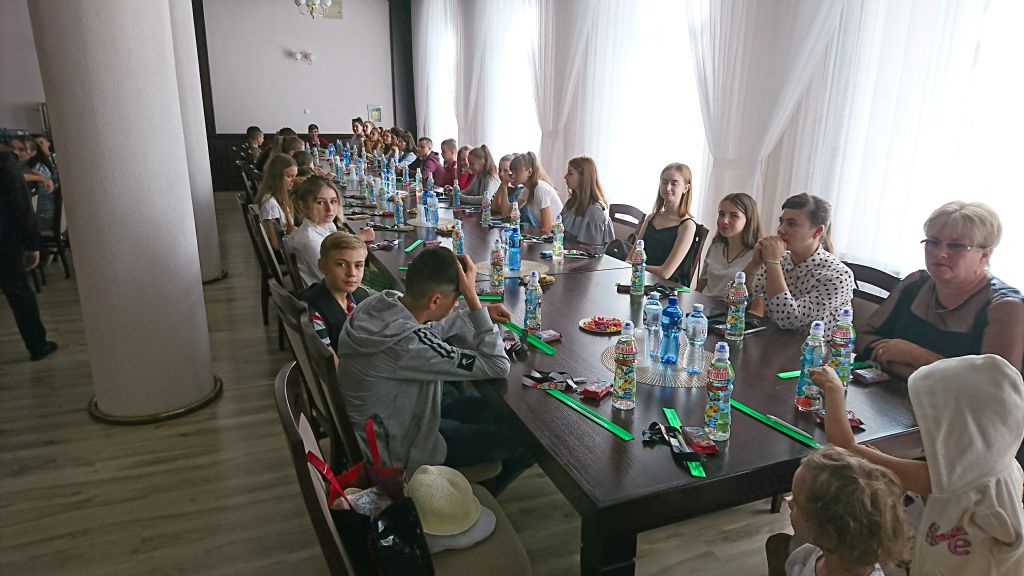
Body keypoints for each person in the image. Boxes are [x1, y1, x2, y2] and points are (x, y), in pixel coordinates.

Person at [336, 248, 532, 494]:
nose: (458, 302)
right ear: (435, 300)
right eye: (457, 297)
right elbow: (497, 365)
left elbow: (421, 333)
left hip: (393, 419)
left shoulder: (379, 302)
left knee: (499, 414)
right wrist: (474, 302)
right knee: (530, 442)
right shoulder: (408, 344)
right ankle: (462, 499)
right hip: (402, 452)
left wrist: (472, 316)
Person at [812, 355, 1024, 574]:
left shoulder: (940, 480)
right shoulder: (1006, 469)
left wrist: (833, 389)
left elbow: (844, 448)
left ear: (956, 428)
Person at [859, 201, 1022, 378]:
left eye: (956, 246)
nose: (940, 253)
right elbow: (863, 337)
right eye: (933, 242)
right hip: (890, 391)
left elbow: (994, 384)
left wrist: (918, 356)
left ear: (984, 254)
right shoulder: (915, 283)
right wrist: (909, 370)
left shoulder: (1006, 307)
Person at [783, 446, 905, 576]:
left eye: (797, 503)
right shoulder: (813, 554)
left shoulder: (804, 558)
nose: (789, 504)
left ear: (827, 534)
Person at [744, 193, 854, 331]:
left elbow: (789, 319)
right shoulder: (780, 259)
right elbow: (734, 299)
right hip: (772, 339)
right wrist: (754, 264)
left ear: (817, 231)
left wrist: (773, 262)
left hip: (812, 344)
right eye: (781, 222)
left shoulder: (839, 276)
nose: (781, 230)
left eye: (791, 224)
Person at [0, 151, 57, 361]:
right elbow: (21, 205)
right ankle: (38, 345)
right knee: (20, 294)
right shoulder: (5, 162)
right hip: (5, 241)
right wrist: (33, 243)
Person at [288, 176, 374, 286]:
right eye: (320, 202)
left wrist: (358, 238)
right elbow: (337, 280)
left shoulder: (327, 225)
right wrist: (360, 239)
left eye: (333, 201)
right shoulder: (310, 241)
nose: (329, 209)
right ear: (303, 206)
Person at [297, 231, 373, 353]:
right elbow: (330, 363)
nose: (352, 273)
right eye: (341, 264)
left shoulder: (359, 293)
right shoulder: (315, 313)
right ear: (322, 266)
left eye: (358, 265)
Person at [635, 163, 700, 284]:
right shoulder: (651, 217)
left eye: (674, 183)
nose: (667, 187)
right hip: (640, 280)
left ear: (686, 188)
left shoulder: (687, 225)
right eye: (664, 182)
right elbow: (631, 257)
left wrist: (634, 267)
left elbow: (665, 273)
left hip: (666, 288)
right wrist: (633, 266)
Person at [696, 193, 764, 298]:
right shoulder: (715, 247)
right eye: (722, 214)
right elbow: (700, 288)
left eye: (734, 216)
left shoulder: (758, 255)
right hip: (704, 305)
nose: (724, 221)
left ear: (749, 220)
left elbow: (755, 297)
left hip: (732, 307)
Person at [561, 156, 614, 247]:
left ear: (583, 177)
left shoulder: (594, 211)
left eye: (570, 173)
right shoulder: (572, 202)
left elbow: (588, 251)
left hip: (578, 255)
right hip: (565, 252)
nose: (565, 177)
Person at [510, 151, 562, 233]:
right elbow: (509, 211)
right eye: (512, 172)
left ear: (529, 172)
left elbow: (547, 228)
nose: (512, 176)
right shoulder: (526, 190)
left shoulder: (540, 189)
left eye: (516, 172)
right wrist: (503, 185)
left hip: (557, 236)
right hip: (548, 234)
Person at [257, 153, 298, 248]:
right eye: (289, 176)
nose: (294, 180)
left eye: (295, 176)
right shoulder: (271, 205)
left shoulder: (280, 197)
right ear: (276, 177)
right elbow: (276, 245)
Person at [10, 136, 56, 221]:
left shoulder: (36, 168)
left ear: (33, 153)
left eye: (21, 149)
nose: (15, 152)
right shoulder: (9, 164)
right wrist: (41, 178)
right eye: (12, 148)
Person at [490, 153, 520, 218]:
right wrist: (502, 185)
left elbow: (506, 214)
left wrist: (504, 185)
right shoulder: (508, 187)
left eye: (506, 170)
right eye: (500, 170)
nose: (501, 174)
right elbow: (494, 208)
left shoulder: (519, 190)